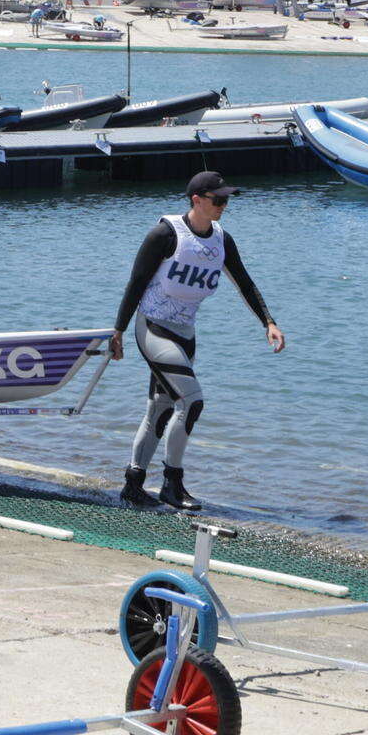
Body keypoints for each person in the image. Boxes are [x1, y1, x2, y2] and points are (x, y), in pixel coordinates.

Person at [107, 170, 282, 510]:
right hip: (154, 330)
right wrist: (118, 331)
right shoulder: (164, 234)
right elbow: (136, 283)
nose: (224, 205)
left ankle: (133, 484)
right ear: (196, 200)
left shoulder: (221, 239)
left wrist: (269, 322)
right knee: (192, 401)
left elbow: (244, 282)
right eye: (218, 200)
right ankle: (172, 484)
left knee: (160, 407)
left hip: (186, 334)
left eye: (227, 200)